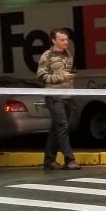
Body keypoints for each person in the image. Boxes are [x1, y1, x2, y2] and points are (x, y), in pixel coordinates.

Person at [36, 27, 81, 171]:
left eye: (67, 39)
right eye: (62, 39)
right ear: (54, 40)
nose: (65, 42)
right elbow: (41, 76)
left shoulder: (68, 54)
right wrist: (61, 77)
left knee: (56, 128)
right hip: (54, 96)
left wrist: (69, 77)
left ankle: (49, 161)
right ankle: (70, 159)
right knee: (62, 126)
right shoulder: (47, 56)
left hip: (68, 95)